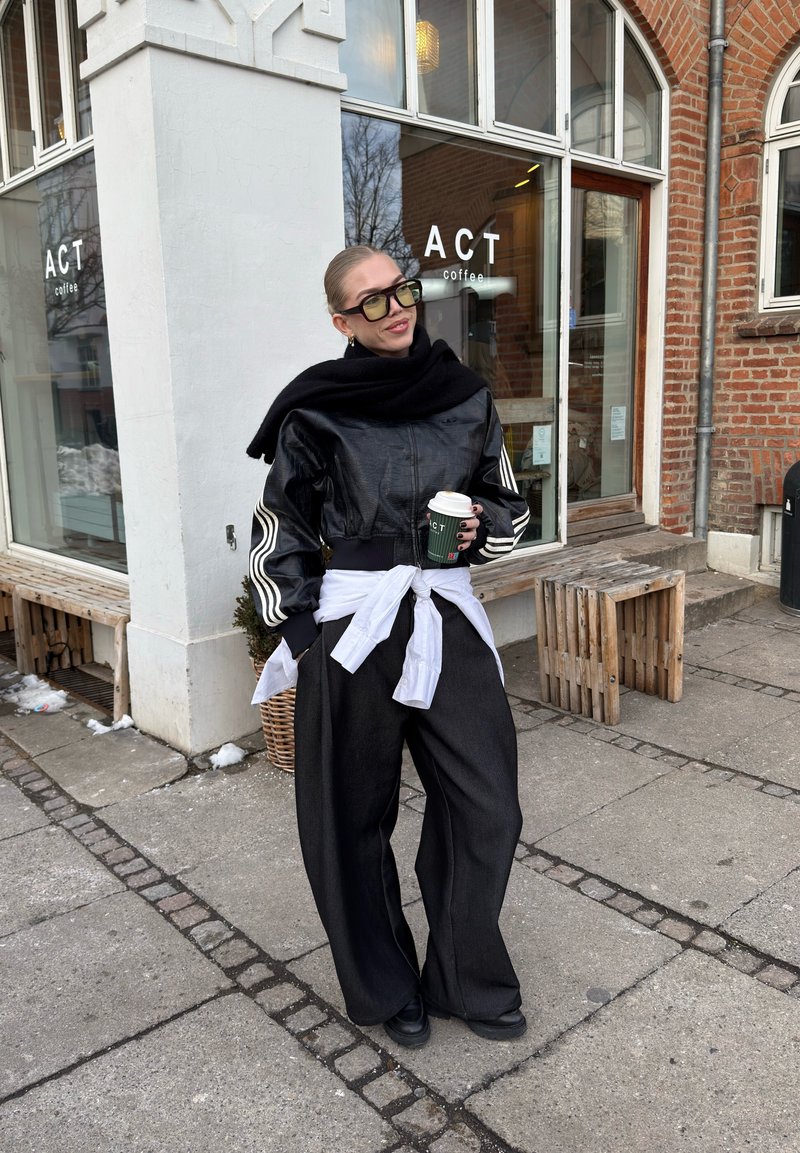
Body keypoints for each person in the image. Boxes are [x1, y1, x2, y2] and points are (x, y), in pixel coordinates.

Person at [246, 245, 530, 1048]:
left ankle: (466, 975)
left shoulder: (466, 396)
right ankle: (386, 982)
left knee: (488, 807)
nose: (394, 308)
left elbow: (508, 504)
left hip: (445, 612)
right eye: (369, 301)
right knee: (351, 816)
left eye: (400, 290)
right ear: (340, 319)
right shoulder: (315, 411)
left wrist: (485, 526)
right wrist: (304, 633)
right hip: (354, 627)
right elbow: (282, 530)